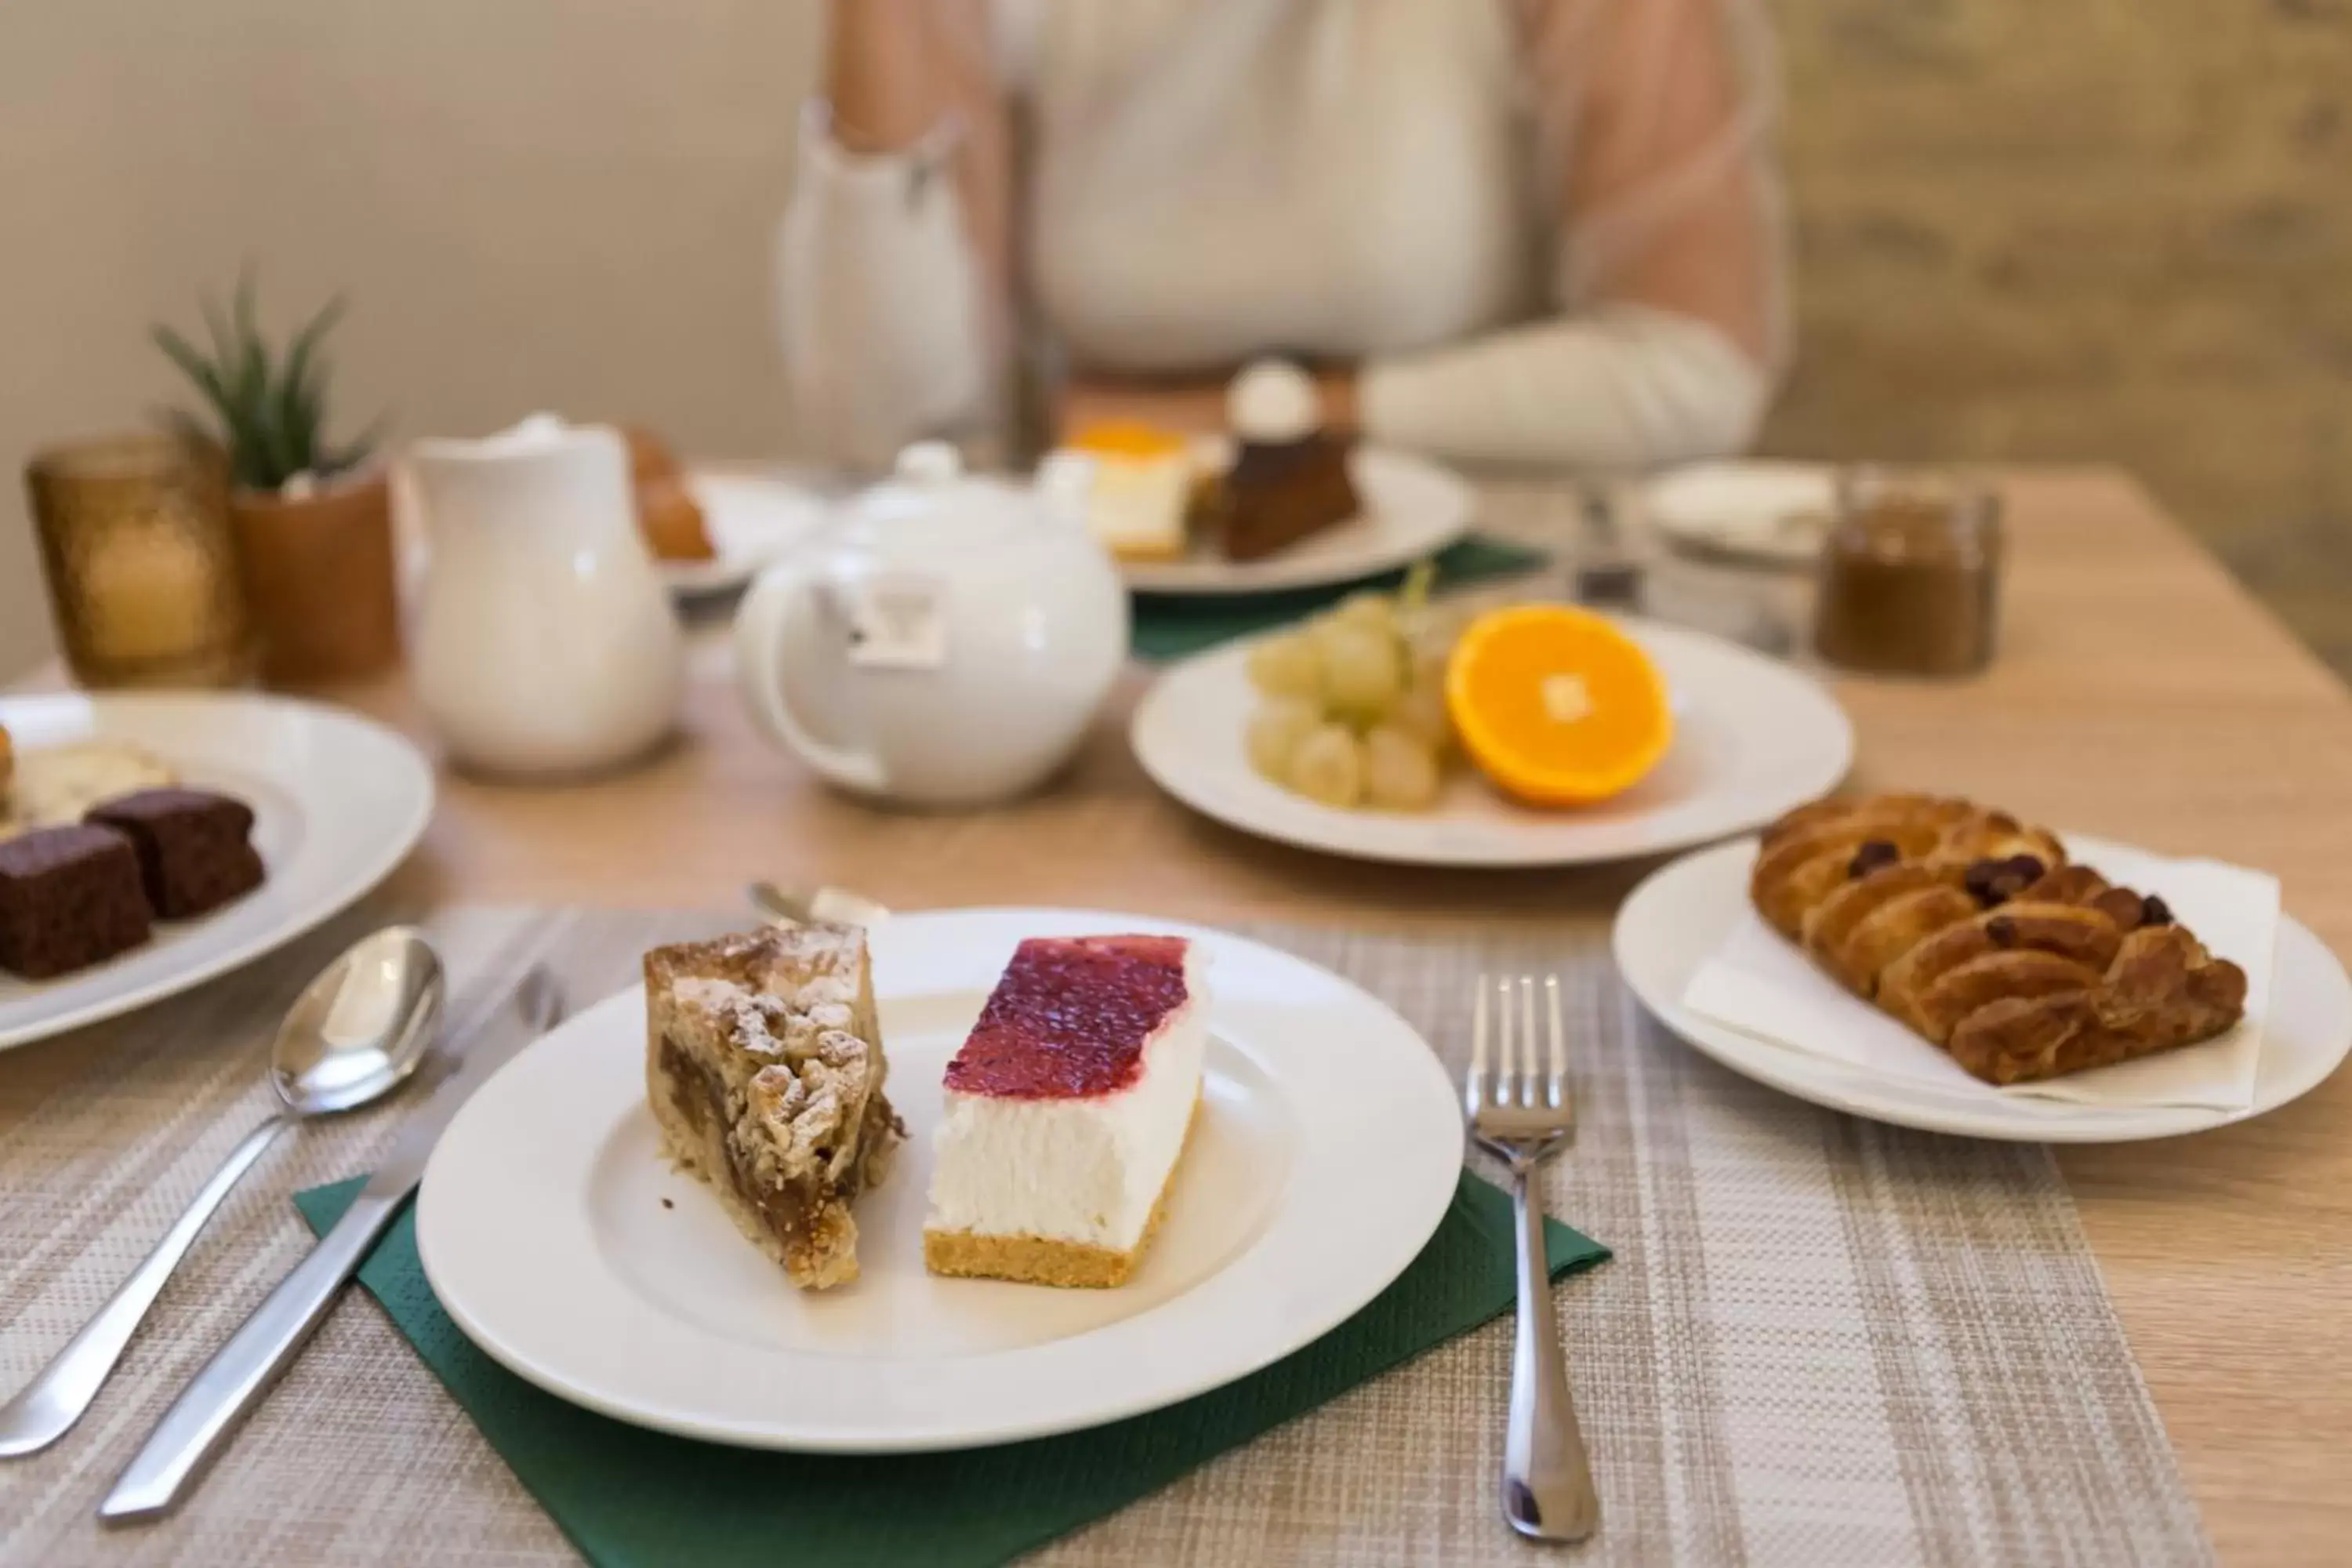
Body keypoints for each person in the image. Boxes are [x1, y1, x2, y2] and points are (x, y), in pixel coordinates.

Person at [779, 0, 1787, 473]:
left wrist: (1249, 419)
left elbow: (1691, 370)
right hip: (1106, 601)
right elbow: (894, 440)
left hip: (1468, 588)